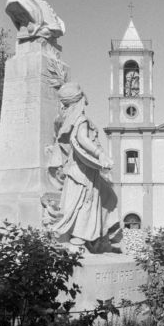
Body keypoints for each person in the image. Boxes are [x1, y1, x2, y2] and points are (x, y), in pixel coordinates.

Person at [51, 82, 119, 249]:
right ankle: (80, 237)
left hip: (76, 169)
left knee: (86, 200)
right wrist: (100, 154)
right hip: (84, 171)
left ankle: (99, 237)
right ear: (78, 101)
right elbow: (82, 139)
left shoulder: (67, 120)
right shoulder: (80, 119)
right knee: (85, 202)